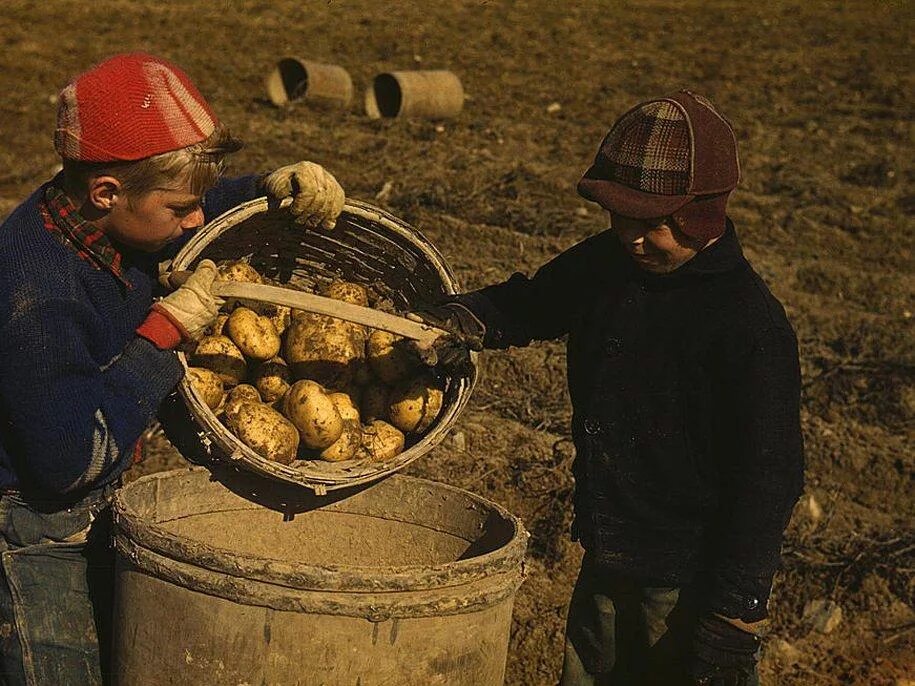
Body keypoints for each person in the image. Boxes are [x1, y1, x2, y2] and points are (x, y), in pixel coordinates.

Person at [418, 91, 805, 685]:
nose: (632, 238)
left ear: (701, 216)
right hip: (609, 554)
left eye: (650, 223)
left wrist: (734, 617)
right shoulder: (609, 265)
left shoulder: (748, 324)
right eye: (618, 218)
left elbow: (769, 477)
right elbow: (537, 301)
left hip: (688, 585)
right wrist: (473, 316)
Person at [0, 52, 345, 684]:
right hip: (30, 524)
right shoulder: (39, 294)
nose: (196, 221)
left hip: (93, 495)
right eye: (185, 207)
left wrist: (267, 189)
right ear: (106, 191)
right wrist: (162, 338)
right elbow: (66, 463)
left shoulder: (110, 218)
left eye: (204, 203)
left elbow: (172, 209)